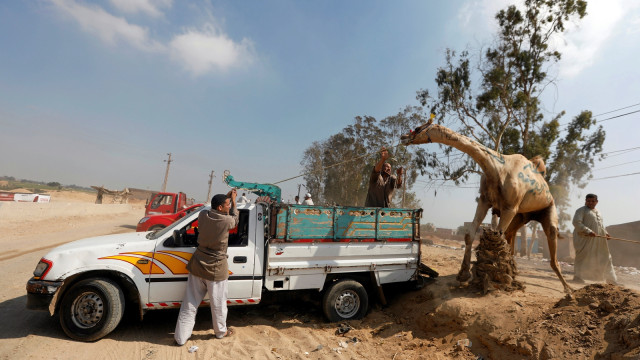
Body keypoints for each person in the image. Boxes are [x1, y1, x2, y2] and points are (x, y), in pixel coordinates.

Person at [174, 189, 239, 345]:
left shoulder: (203, 215)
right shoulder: (225, 221)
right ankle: (220, 332)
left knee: (189, 304)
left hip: (198, 265)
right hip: (216, 268)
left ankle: (181, 338)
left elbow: (216, 207)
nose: (229, 207)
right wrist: (235, 200)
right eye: (227, 205)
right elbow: (235, 219)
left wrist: (226, 198)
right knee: (218, 305)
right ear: (220, 208)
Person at [572, 193, 617, 284]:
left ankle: (611, 279)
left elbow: (600, 225)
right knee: (582, 257)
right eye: (588, 201)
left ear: (596, 202)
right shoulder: (581, 210)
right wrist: (588, 231)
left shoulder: (598, 212)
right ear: (585, 201)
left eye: (593, 201)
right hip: (585, 239)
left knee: (606, 257)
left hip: (599, 240)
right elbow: (576, 222)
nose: (590, 203)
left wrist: (606, 233)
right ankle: (578, 276)